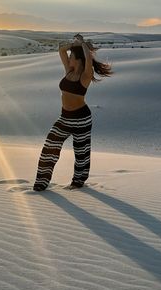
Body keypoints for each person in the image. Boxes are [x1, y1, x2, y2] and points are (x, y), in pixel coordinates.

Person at [33, 33, 113, 191]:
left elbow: (88, 60)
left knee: (81, 152)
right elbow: (61, 51)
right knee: (49, 146)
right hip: (64, 118)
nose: (68, 58)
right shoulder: (68, 71)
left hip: (81, 119)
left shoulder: (85, 76)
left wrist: (83, 45)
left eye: (71, 57)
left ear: (78, 59)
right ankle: (41, 183)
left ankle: (78, 183)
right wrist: (74, 44)